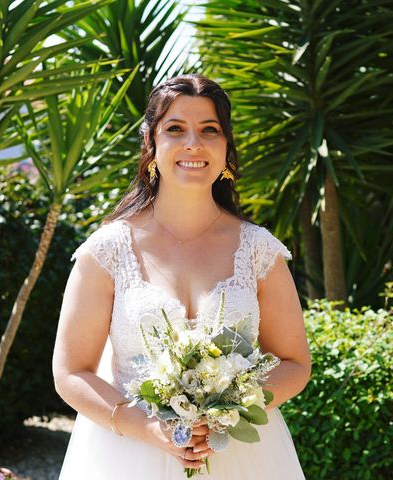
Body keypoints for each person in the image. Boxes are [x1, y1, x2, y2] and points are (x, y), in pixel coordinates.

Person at [53, 74, 310, 479]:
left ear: (226, 148)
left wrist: (230, 410)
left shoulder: (259, 250)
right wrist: (148, 428)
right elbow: (70, 372)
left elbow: (295, 362)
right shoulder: (107, 251)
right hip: (126, 456)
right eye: (175, 129)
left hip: (243, 457)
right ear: (151, 145)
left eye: (210, 130)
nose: (194, 143)